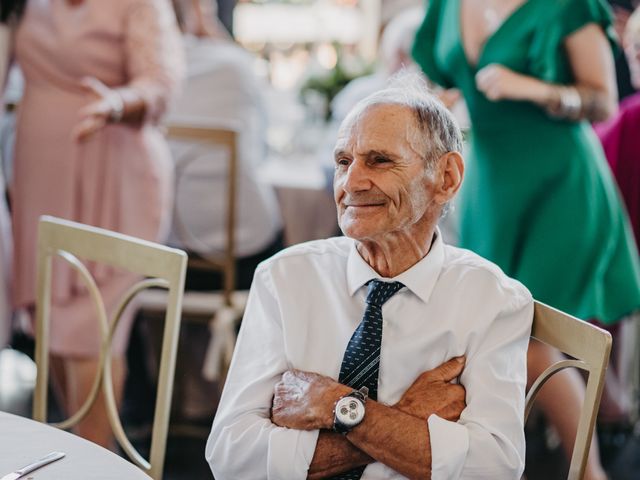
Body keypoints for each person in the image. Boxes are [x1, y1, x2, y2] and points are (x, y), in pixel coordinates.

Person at [206, 72, 534, 479]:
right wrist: (397, 420)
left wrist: (332, 404)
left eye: (379, 160)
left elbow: (494, 467)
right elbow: (231, 455)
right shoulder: (284, 278)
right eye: (343, 161)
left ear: (446, 178)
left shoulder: (494, 301)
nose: (351, 183)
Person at [412, 1, 640, 478]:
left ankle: (588, 470)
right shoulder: (448, 5)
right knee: (491, 326)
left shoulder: (568, 5)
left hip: (558, 184)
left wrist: (531, 88)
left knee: (524, 328)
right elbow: (437, 76)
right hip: (490, 189)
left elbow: (603, 99)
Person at [10, 0, 183, 447]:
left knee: (90, 331)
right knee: (51, 326)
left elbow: (161, 81)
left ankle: (94, 454)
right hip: (40, 179)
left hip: (115, 179)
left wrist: (118, 102)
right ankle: (78, 452)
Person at [167, 0, 283, 291]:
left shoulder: (141, 78)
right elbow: (263, 149)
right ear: (195, 12)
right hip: (243, 254)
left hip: (166, 257)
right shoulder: (234, 63)